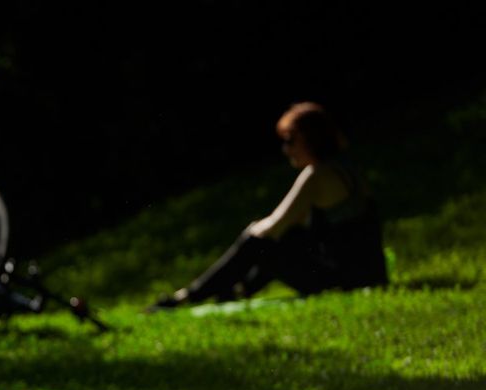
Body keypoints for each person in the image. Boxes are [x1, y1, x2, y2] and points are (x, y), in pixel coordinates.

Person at [148, 102, 387, 311]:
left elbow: (272, 228)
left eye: (290, 141)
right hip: (368, 276)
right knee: (286, 238)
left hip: (343, 282)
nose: (286, 149)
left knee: (257, 240)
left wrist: (252, 233)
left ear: (309, 140)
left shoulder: (317, 175)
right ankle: (239, 290)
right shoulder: (347, 168)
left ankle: (189, 296)